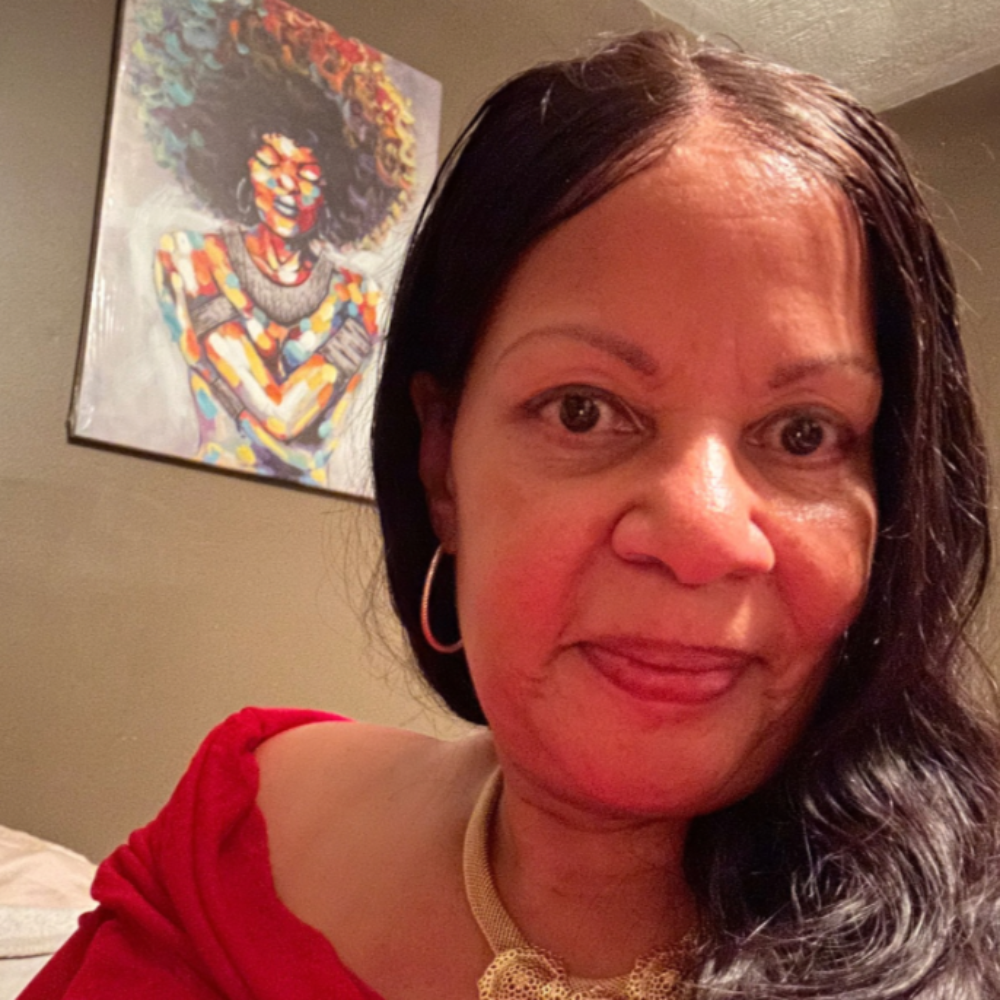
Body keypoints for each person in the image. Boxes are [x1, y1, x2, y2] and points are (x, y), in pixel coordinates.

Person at [25, 28, 1000, 999]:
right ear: (441, 467)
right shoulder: (237, 829)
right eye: (583, 410)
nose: (702, 531)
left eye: (803, 433)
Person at [136, 0, 415, 486]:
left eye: (306, 171)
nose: (288, 186)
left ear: (334, 186)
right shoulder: (190, 257)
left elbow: (285, 418)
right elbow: (276, 413)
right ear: (242, 167)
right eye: (271, 163)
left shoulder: (360, 297)